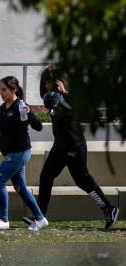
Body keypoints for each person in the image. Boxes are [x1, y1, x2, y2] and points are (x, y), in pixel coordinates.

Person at [30, 65, 119, 231]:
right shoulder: (52, 98)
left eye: (51, 82)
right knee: (73, 179)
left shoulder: (70, 97)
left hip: (72, 144)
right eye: (46, 83)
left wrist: (64, 94)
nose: (47, 86)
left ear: (61, 82)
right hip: (63, 144)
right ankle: (108, 209)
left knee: (64, 177)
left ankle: (40, 216)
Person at [0, 76, 48, 231]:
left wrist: (30, 113)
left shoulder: (21, 106)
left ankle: (4, 220)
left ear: (13, 89)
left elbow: (38, 127)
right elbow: (0, 129)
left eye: (4, 90)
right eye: (0, 90)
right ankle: (40, 218)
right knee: (21, 188)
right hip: (11, 153)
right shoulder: (3, 108)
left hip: (19, 152)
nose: (1, 93)